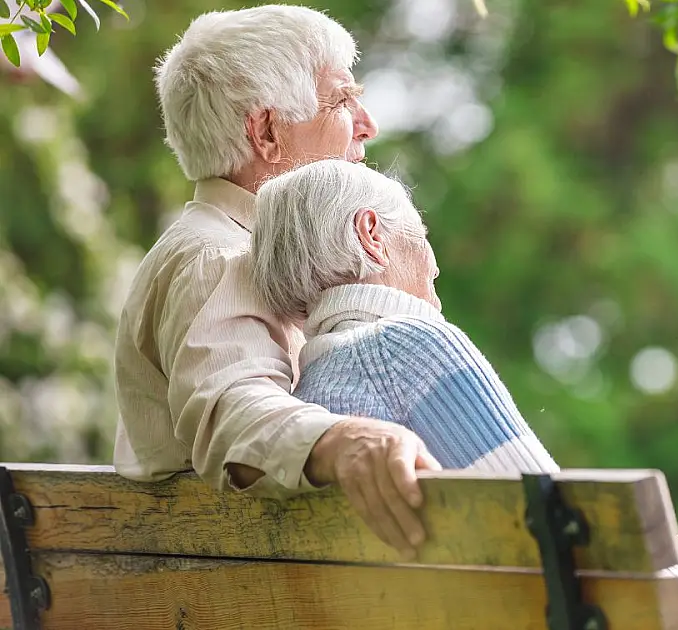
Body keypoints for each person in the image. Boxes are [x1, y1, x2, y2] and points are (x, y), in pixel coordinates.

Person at [249, 159, 678, 630]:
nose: (434, 260)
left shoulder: (308, 395)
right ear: (372, 234)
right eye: (420, 231)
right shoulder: (407, 346)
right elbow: (575, 547)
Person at [112, 5, 439, 561]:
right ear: (266, 132)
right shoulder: (219, 257)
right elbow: (233, 409)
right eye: (342, 100)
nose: (368, 124)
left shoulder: (248, 250)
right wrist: (347, 439)